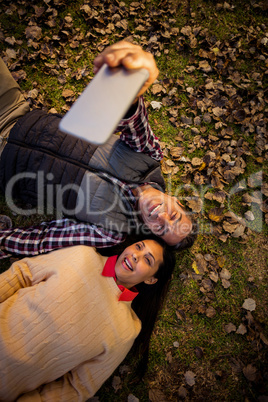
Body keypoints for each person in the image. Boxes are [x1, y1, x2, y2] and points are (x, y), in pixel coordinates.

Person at [0, 41, 197, 259]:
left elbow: (46, 238)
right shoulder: (149, 158)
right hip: (14, 111)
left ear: (150, 232)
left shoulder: (112, 231)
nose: (161, 218)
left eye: (161, 229)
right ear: (177, 201)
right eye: (174, 216)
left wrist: (3, 241)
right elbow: (135, 122)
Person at [0, 237, 175, 401]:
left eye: (148, 260)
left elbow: (78, 387)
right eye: (138, 247)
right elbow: (23, 273)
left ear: (151, 279)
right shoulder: (83, 255)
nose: (136, 256)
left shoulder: (126, 330)